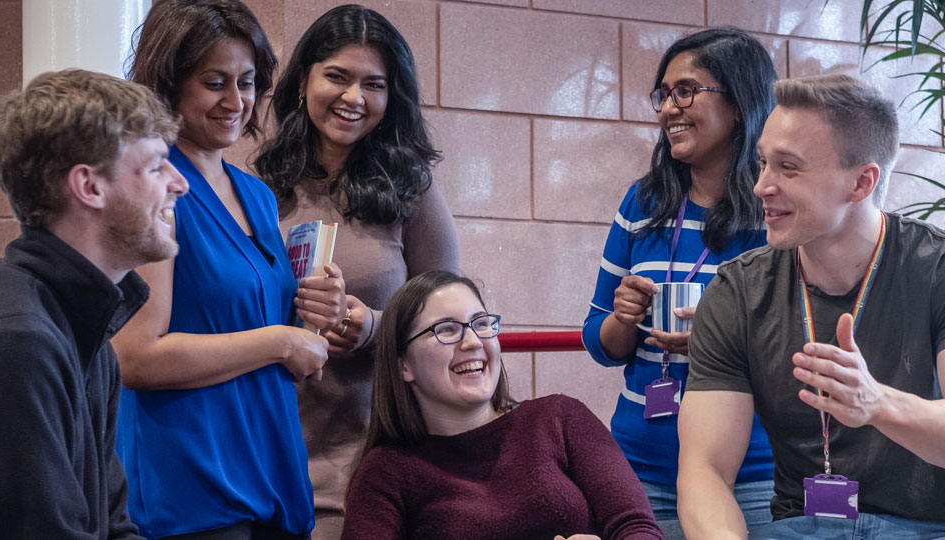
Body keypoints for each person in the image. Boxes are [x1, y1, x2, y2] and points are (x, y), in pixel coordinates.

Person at [677, 74, 945, 540]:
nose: (761, 186)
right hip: (801, 528)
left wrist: (877, 403)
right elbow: (705, 471)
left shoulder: (935, 268)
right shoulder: (738, 290)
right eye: (762, 163)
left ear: (861, 182)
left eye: (789, 167)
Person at [111, 1, 337, 538]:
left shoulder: (257, 194)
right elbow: (135, 357)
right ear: (169, 84)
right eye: (214, 83)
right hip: (192, 484)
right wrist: (280, 342)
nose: (236, 102)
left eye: (247, 82)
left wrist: (317, 316)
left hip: (271, 468)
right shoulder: (154, 187)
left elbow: (264, 326)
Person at [254, 5, 459, 538]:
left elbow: (449, 322)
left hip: (369, 462)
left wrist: (370, 325)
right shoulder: (258, 189)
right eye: (337, 76)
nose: (354, 97)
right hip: (264, 456)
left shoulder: (412, 190)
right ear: (304, 80)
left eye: (374, 84)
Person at [581, 27, 777, 537]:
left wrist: (721, 342)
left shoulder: (776, 212)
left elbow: (804, 342)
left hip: (754, 476)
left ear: (740, 103)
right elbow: (599, 342)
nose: (669, 109)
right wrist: (623, 317)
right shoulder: (643, 203)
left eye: (686, 91)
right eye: (664, 95)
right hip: (639, 467)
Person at [0, 69, 187, 538]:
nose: (180, 184)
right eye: (156, 167)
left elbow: (112, 524)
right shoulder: (20, 341)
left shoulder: (83, 323)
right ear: (90, 187)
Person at [340, 270, 664, 540]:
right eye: (446, 330)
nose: (472, 342)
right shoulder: (385, 472)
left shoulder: (560, 417)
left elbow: (637, 527)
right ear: (403, 366)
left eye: (481, 324)